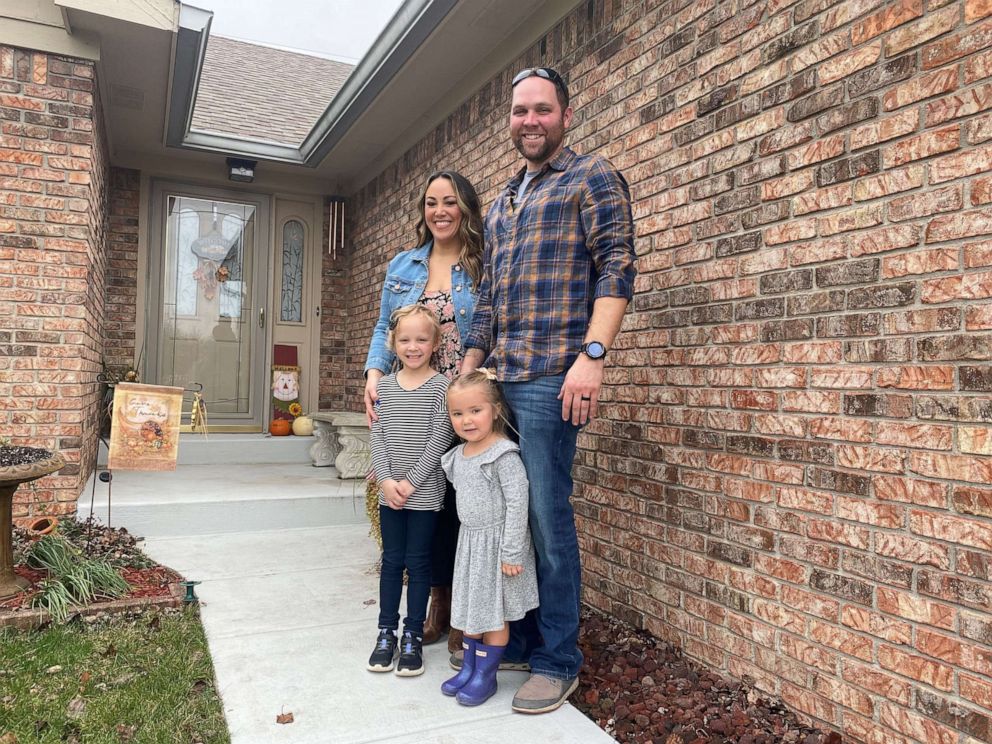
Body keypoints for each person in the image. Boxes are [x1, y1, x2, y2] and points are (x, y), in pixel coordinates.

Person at [460, 66, 636, 713]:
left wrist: (593, 357)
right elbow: (489, 297)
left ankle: (560, 658)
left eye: (541, 109)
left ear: (565, 113)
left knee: (545, 516)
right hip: (502, 381)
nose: (529, 121)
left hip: (553, 380)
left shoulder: (592, 177)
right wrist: (471, 364)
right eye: (519, 112)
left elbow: (618, 264)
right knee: (510, 515)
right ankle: (526, 636)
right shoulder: (506, 201)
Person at [364, 171, 485, 653]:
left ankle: (463, 611)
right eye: (431, 202)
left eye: (450, 202)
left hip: (467, 402)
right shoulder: (403, 265)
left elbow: (491, 324)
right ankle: (435, 603)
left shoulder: (480, 265)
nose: (440, 211)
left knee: (463, 509)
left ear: (465, 208)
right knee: (427, 506)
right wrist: (374, 373)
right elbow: (382, 328)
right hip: (415, 400)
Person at [439, 368, 539, 706]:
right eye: (457, 413)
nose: (466, 420)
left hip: (498, 546)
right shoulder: (457, 456)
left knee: (493, 612)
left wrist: (511, 551)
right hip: (471, 545)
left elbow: (517, 503)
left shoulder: (503, 455)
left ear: (495, 410)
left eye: (475, 411)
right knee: (471, 609)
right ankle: (469, 667)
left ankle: (486, 675)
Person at [366, 304, 454, 676]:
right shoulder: (384, 386)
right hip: (390, 493)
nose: (412, 346)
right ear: (393, 343)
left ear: (435, 343)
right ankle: (386, 631)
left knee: (419, 564)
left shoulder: (441, 387)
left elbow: (441, 437)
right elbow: (379, 434)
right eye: (404, 339)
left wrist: (412, 480)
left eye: (421, 339)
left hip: (424, 494)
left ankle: (413, 635)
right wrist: (386, 480)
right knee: (392, 563)